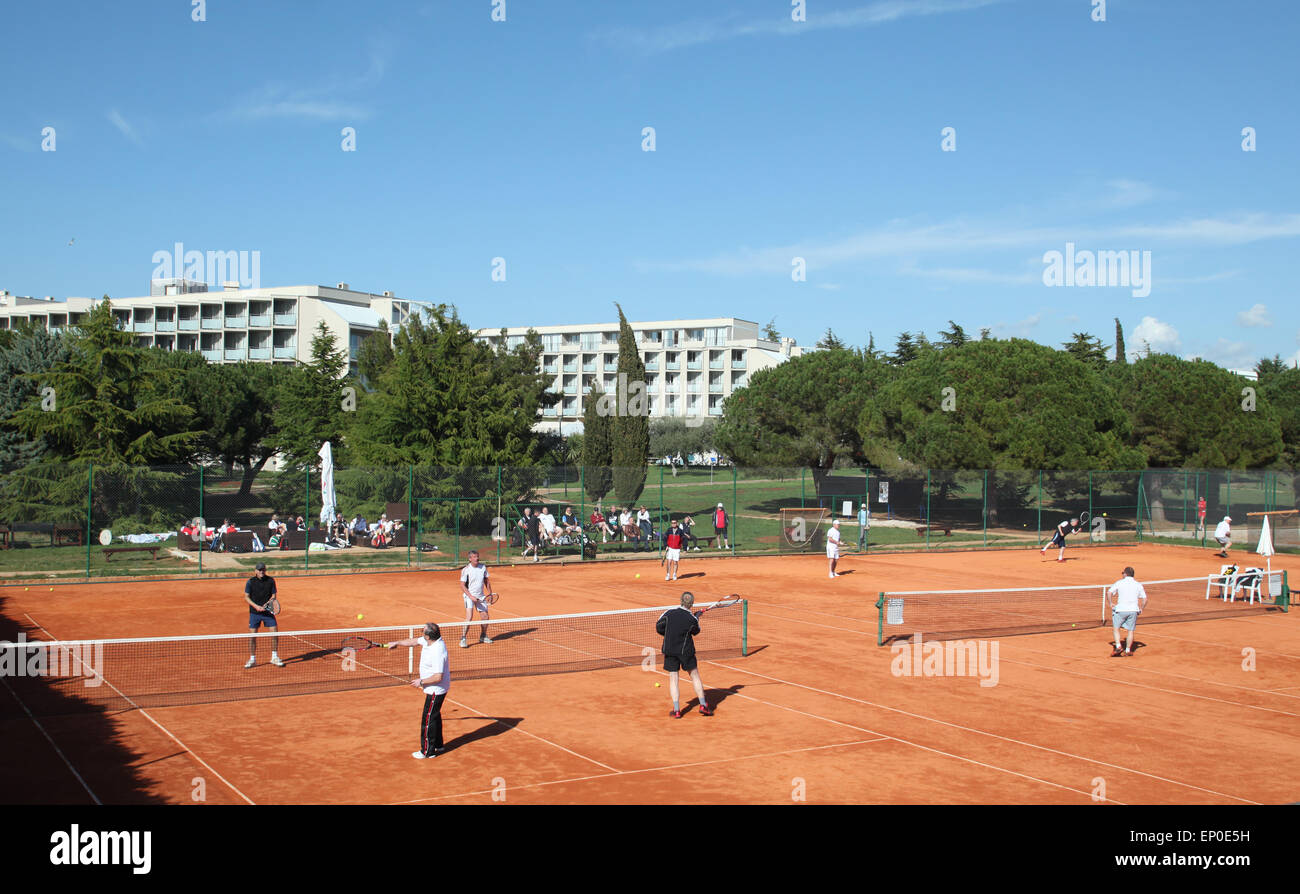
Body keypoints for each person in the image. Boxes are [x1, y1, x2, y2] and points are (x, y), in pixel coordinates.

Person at [387, 622, 450, 759]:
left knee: (427, 719)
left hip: (435, 689)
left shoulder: (437, 651)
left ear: (428, 636)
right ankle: (438, 744)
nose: (421, 633)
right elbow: (414, 641)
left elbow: (438, 676)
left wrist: (421, 681)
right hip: (434, 687)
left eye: (423, 631)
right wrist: (397, 642)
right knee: (435, 716)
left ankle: (427, 751)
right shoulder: (431, 641)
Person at [656, 591, 712, 717]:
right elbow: (696, 630)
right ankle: (703, 705)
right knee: (694, 676)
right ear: (691, 604)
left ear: (681, 600)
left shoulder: (669, 613)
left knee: (673, 678)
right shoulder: (691, 619)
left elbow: (659, 627)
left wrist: (670, 634)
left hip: (670, 650)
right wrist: (696, 617)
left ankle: (676, 710)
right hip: (686, 651)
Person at [243, 562, 284, 668]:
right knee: (252, 637)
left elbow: (273, 596)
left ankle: (274, 656)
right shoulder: (250, 582)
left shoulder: (270, 581)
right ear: (255, 571)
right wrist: (256, 606)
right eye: (260, 570)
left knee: (274, 633)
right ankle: (252, 659)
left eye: (263, 570)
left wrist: (266, 605)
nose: (262, 572)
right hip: (254, 613)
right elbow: (246, 597)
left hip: (268, 613)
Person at [1106, 566, 1148, 657]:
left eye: (1123, 573)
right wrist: (1142, 609)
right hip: (1133, 611)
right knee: (1131, 631)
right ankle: (1128, 650)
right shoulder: (1138, 584)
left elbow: (1109, 593)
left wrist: (1110, 603)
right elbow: (1145, 599)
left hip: (1120, 610)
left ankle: (1118, 646)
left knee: (1116, 628)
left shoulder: (1120, 583)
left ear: (1125, 574)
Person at [458, 549, 495, 649]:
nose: (477, 558)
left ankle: (483, 636)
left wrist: (490, 593)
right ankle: (463, 638)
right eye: (474, 557)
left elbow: (487, 581)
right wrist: (471, 596)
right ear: (470, 559)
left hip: (481, 596)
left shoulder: (483, 567)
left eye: (477, 556)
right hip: (469, 596)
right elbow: (462, 585)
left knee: (485, 617)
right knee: (469, 617)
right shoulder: (466, 570)